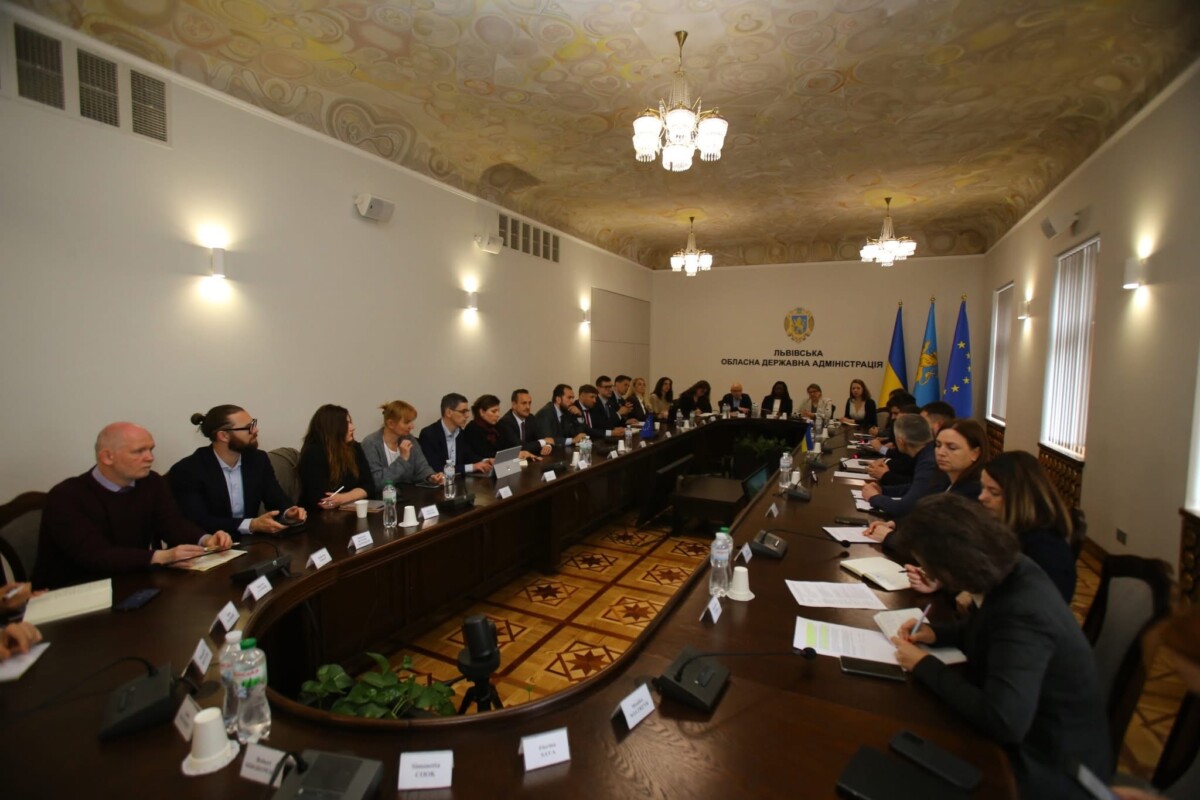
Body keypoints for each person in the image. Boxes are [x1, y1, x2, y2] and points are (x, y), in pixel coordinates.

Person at [888, 495, 1112, 800]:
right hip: (1032, 733)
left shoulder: (1023, 612)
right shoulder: (1012, 568)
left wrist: (923, 664)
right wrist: (935, 634)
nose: (929, 574)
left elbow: (1003, 720)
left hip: (1048, 767)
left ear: (952, 567)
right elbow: (987, 628)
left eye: (929, 568)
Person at [33, 423, 233, 589]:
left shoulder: (151, 482)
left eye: (150, 449)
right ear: (107, 457)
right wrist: (163, 556)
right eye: (139, 451)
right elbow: (94, 555)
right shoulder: (66, 496)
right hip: (74, 593)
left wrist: (206, 539)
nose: (150, 457)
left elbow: (172, 524)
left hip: (130, 580)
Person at [169, 406, 306, 537]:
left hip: (251, 543)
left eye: (254, 423)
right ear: (224, 436)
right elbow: (198, 520)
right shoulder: (188, 470)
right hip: (208, 546)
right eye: (248, 427)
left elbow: (275, 498)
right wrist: (251, 525)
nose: (255, 430)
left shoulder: (258, 459)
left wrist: (289, 512)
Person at [978, 451, 1077, 603]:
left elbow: (1030, 608)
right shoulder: (1010, 532)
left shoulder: (1045, 550)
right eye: (983, 488)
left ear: (1020, 498)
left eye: (994, 492)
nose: (981, 497)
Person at [861, 413, 945, 518]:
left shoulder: (928, 461)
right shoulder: (926, 453)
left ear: (900, 441)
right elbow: (914, 487)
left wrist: (874, 497)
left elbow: (904, 508)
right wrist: (883, 490)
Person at [298, 405, 376, 509]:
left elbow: (369, 486)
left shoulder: (354, 447)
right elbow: (322, 500)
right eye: (346, 423)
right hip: (319, 514)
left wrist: (344, 498)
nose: (353, 427)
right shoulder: (314, 453)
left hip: (350, 508)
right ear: (333, 427)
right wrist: (355, 494)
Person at [361, 400, 442, 488]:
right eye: (407, 422)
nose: (412, 426)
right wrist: (402, 459)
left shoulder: (409, 439)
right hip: (383, 495)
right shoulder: (371, 443)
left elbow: (422, 467)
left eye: (412, 422)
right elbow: (377, 481)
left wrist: (431, 477)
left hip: (409, 493)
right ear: (391, 424)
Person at [418, 393, 495, 476]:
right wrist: (472, 467)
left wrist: (485, 460)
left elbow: (468, 456)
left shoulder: (461, 433)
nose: (467, 415)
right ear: (448, 412)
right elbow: (436, 468)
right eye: (463, 412)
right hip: (440, 482)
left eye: (467, 411)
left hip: (459, 480)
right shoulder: (429, 434)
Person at [935, 418, 989, 500]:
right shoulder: (943, 480)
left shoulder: (974, 493)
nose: (941, 452)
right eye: (938, 445)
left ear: (975, 453)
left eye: (952, 447)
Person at [497, 389, 553, 458]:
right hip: (511, 461)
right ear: (514, 405)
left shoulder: (531, 418)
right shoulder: (505, 422)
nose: (528, 407)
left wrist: (547, 446)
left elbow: (541, 438)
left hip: (530, 458)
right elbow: (520, 447)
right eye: (524, 403)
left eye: (529, 403)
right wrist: (544, 442)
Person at [461, 394, 506, 461]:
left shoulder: (497, 427)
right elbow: (478, 455)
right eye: (493, 411)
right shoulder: (472, 428)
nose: (498, 415)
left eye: (498, 411)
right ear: (481, 412)